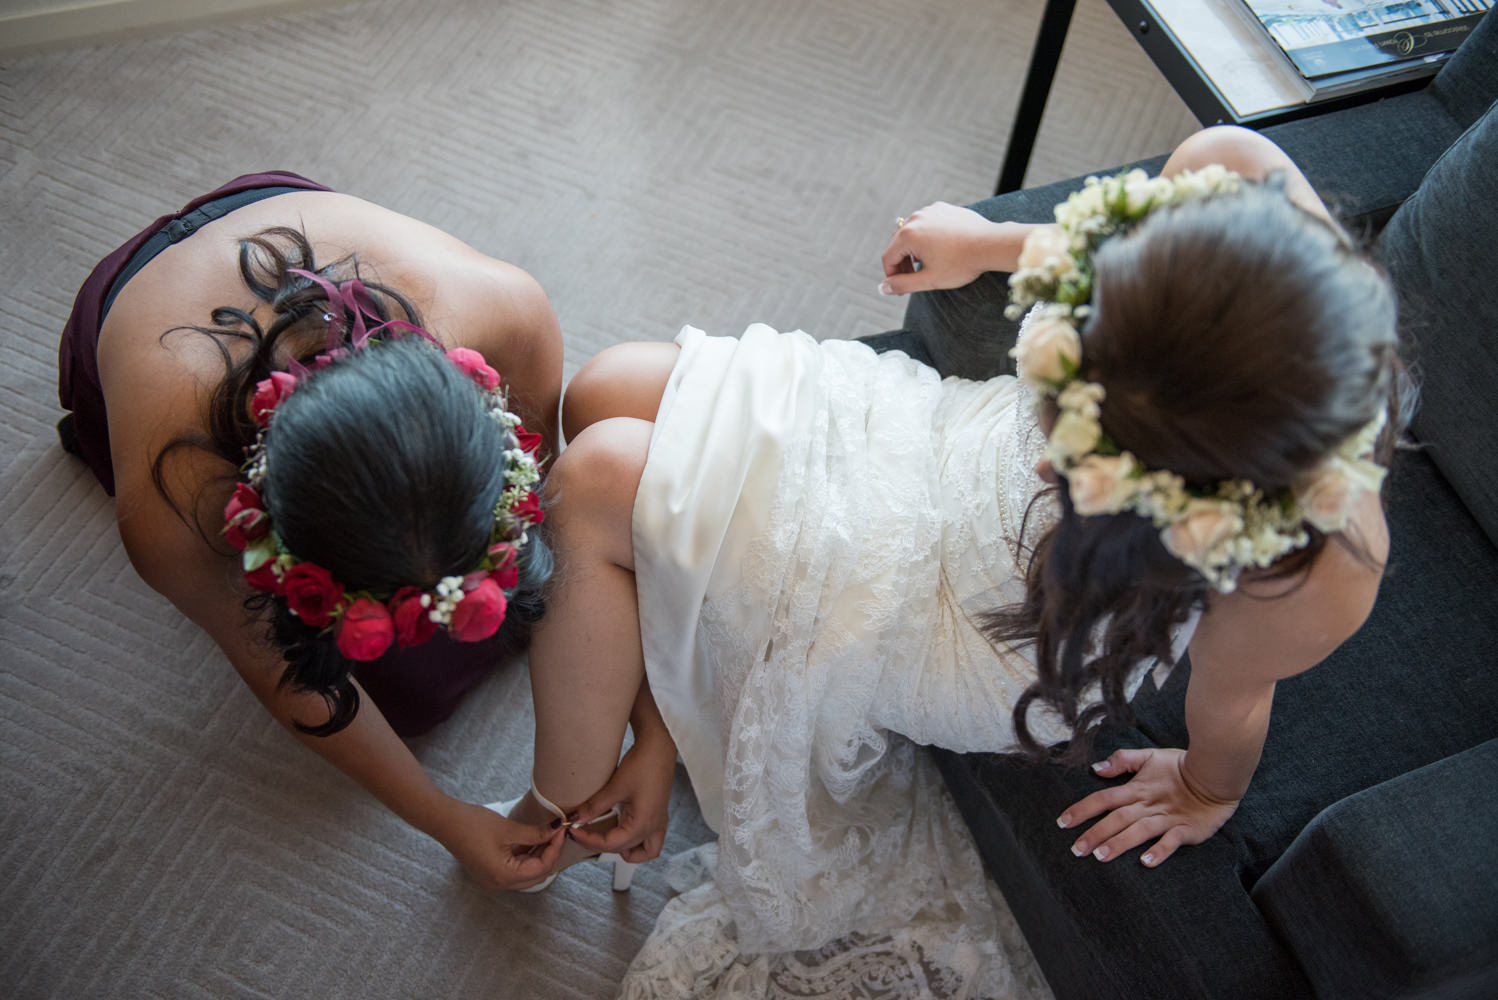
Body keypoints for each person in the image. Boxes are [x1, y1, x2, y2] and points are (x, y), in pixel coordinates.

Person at [505, 127, 1406, 997]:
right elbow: (1110, 262)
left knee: (592, 485)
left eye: (1073, 448)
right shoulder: (1234, 175)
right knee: (602, 388)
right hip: (960, 448)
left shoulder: (1316, 565)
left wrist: (1209, 789)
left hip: (1001, 616)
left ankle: (558, 816)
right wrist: (993, 242)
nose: (1052, 457)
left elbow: (1238, 693)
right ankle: (653, 693)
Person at [56, 173, 570, 891]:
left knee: (522, 603)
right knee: (409, 693)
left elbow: (545, 486)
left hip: (272, 196)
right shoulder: (174, 502)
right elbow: (278, 671)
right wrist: (442, 816)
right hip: (126, 305)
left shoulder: (505, 309)